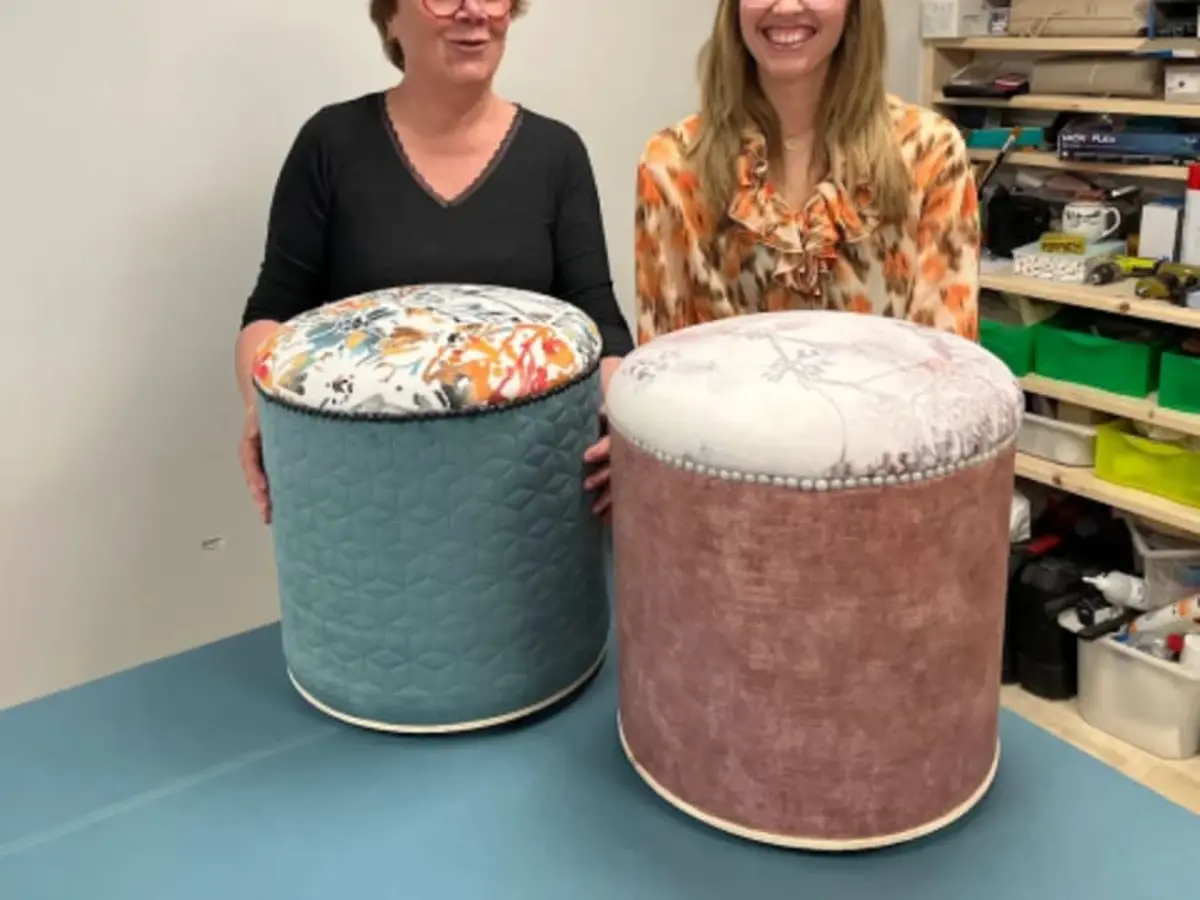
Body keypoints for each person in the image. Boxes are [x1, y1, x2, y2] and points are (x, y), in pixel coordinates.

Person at [235, 0, 632, 524]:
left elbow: (600, 321)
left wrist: (627, 429)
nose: (473, 12)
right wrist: (263, 409)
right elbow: (273, 313)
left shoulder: (556, 153)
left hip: (533, 492)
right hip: (364, 486)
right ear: (391, 17)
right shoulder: (330, 144)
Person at [634, 0, 980, 344]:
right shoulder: (673, 165)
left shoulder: (930, 154)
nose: (785, 7)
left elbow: (946, 371)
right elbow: (661, 372)